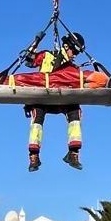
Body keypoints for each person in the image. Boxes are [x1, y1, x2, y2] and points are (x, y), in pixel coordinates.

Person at [26, 31, 87, 171]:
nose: (75, 55)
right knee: (37, 117)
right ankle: (34, 156)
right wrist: (36, 42)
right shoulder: (47, 56)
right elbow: (29, 60)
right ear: (66, 46)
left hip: (62, 98)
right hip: (43, 96)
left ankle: (73, 153)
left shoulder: (73, 68)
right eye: (74, 51)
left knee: (75, 112)